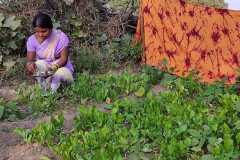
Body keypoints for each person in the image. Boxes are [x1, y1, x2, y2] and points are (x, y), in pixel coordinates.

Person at [26, 13, 74, 92]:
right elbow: (30, 60)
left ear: (51, 28)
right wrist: (30, 65)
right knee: (39, 63)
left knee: (60, 75)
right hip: (45, 69)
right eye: (37, 31)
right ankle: (46, 85)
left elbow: (64, 59)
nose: (40, 34)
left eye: (44, 31)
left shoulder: (60, 37)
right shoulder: (31, 40)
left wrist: (52, 69)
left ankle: (53, 88)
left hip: (60, 67)